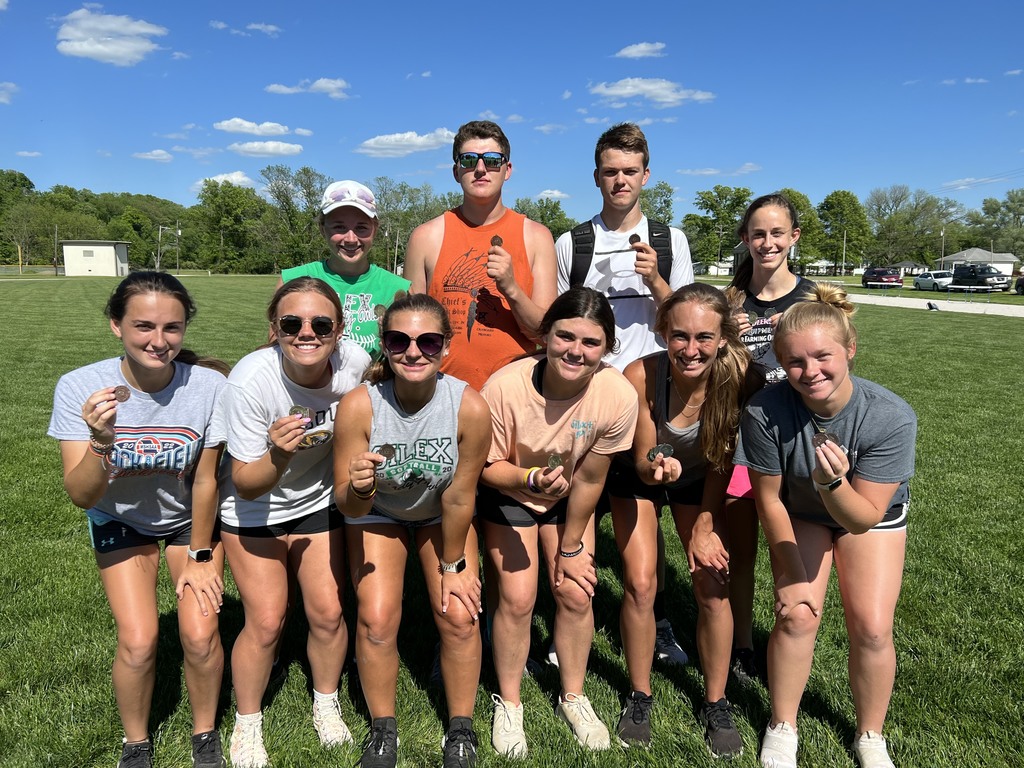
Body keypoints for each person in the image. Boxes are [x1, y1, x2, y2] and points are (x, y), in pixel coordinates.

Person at [48, 272, 229, 768]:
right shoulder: (80, 386)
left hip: (186, 521)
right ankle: (136, 743)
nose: (159, 340)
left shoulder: (209, 386)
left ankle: (205, 735)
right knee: (139, 640)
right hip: (118, 518)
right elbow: (82, 495)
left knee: (199, 634)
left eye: (172, 328)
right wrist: (100, 441)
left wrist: (199, 555)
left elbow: (209, 481)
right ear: (115, 326)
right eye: (143, 326)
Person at [733, 284, 916, 768]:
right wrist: (792, 574)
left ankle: (870, 735)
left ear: (850, 350)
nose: (810, 372)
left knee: (873, 629)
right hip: (801, 512)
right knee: (797, 615)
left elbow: (864, 518)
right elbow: (768, 500)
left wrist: (833, 483)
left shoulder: (890, 416)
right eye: (794, 362)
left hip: (864, 517)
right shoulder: (764, 410)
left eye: (823, 357)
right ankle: (782, 724)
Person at [553, 123, 696, 713]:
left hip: (654, 392)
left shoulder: (670, 237)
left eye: (630, 171)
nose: (619, 180)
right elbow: (562, 319)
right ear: (596, 176)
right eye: (610, 171)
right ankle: (568, 620)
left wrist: (656, 276)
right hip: (591, 392)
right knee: (576, 505)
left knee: (647, 505)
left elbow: (687, 321)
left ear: (645, 176)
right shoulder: (574, 243)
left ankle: (657, 621)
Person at [217, 277, 371, 768]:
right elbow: (244, 482)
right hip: (253, 510)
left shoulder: (355, 368)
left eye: (320, 323)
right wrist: (279, 455)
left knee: (327, 614)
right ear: (273, 331)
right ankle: (247, 722)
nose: (307, 332)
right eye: (292, 323)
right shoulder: (250, 381)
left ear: (340, 331)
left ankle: (326, 702)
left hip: (317, 503)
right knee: (266, 621)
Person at [479, 287, 638, 756]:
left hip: (570, 500)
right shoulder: (505, 386)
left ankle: (573, 694)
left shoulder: (617, 394)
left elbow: (591, 478)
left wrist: (571, 547)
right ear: (544, 335)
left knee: (575, 588)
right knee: (518, 595)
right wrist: (528, 477)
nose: (575, 351)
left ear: (607, 347)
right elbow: (486, 467)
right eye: (565, 336)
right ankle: (509, 702)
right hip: (508, 489)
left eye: (591, 343)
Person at [334, 293, 491, 768]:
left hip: (442, 513)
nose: (414, 351)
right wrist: (360, 486)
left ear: (444, 346)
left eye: (428, 341)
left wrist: (453, 566)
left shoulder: (469, 407)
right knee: (377, 618)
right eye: (399, 340)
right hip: (378, 512)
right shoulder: (360, 406)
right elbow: (348, 505)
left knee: (459, 614)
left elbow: (461, 496)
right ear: (384, 345)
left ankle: (460, 728)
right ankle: (383, 729)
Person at [618, 283, 757, 754]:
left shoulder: (738, 376)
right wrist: (657, 464)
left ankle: (715, 702)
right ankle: (639, 695)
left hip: (703, 478)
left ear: (722, 338)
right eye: (679, 336)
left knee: (713, 583)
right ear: (662, 332)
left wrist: (703, 524)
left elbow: (724, 457)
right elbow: (639, 459)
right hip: (640, 478)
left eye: (703, 337)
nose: (690, 349)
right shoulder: (642, 374)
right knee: (640, 583)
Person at [724, 192, 815, 684]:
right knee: (741, 548)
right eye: (758, 233)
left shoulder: (811, 299)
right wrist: (730, 343)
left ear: (793, 238)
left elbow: (834, 370)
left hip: (798, 440)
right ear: (745, 239)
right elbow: (712, 377)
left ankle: (789, 634)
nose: (767, 242)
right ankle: (742, 643)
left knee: (790, 546)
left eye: (778, 233)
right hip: (741, 443)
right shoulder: (731, 300)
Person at [404, 119, 557, 391]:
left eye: (493, 160)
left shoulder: (536, 237)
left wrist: (511, 288)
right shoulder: (425, 237)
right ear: (455, 170)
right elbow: (411, 332)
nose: (480, 169)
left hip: (515, 396)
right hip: (443, 393)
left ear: (507, 169)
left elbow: (546, 335)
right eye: (469, 160)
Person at [279, 179, 410, 358]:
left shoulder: (397, 288)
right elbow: (275, 349)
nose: (350, 238)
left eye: (361, 228)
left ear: (375, 229)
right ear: (322, 229)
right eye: (339, 227)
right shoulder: (293, 280)